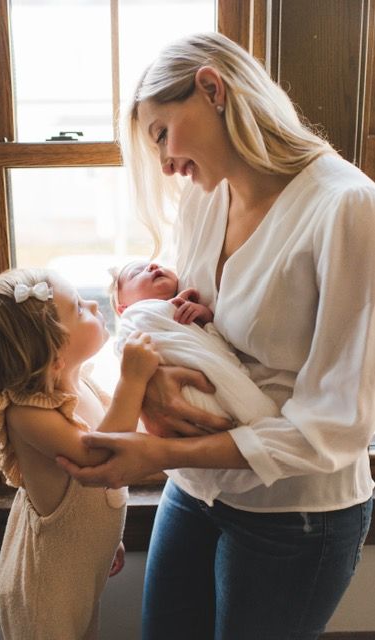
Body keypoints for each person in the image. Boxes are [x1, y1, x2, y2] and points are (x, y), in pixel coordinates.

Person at [57, 32, 375, 640]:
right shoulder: (206, 197)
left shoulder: (346, 208)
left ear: (211, 89)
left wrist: (160, 454)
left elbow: (337, 423)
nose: (166, 164)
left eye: (161, 135)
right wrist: (150, 388)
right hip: (199, 490)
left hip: (295, 512)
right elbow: (181, 326)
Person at [0, 267, 159, 640]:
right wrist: (133, 380)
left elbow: (97, 478)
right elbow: (101, 458)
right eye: (80, 309)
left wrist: (102, 539)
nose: (94, 306)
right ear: (53, 355)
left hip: (78, 570)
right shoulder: (27, 415)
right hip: (42, 589)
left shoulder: (81, 384)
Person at [111, 258, 281, 504]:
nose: (151, 267)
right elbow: (130, 351)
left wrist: (207, 319)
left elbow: (220, 351)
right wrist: (164, 310)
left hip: (265, 471)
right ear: (123, 309)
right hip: (188, 477)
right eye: (137, 273)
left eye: (155, 264)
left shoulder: (190, 311)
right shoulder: (137, 318)